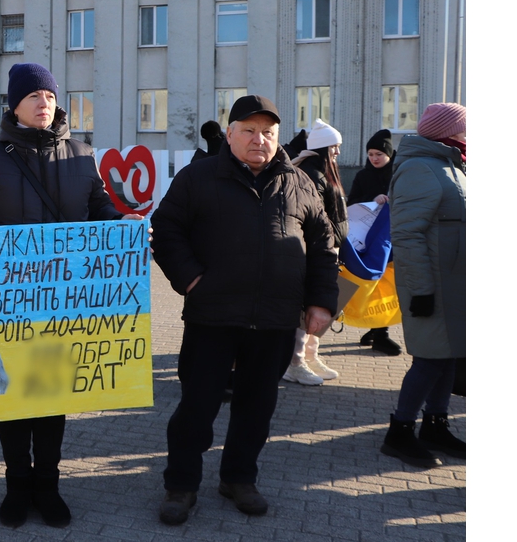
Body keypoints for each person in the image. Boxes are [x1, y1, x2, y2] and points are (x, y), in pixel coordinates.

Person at [0, 62, 142, 529]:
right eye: (34, 95)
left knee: (52, 395)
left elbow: (99, 209)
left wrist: (122, 225)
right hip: (9, 303)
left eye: (50, 96)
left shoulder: (80, 154)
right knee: (12, 397)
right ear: (15, 104)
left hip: (64, 302)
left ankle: (48, 486)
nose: (43, 103)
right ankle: (17, 486)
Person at [151, 95, 338, 524]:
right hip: (212, 316)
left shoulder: (299, 183)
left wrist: (321, 302)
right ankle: (181, 486)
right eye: (249, 131)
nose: (259, 140)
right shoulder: (198, 178)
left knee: (257, 408)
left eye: (268, 133)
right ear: (230, 133)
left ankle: (238, 478)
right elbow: (166, 229)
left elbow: (325, 246)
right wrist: (191, 280)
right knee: (196, 408)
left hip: (274, 319)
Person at [380, 103, 466, 467]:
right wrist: (421, 291)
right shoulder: (419, 167)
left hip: (456, 286)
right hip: (433, 287)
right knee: (429, 361)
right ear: (448, 131)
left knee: (449, 359)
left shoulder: (452, 165)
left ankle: (435, 425)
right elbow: (408, 235)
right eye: (465, 128)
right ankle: (399, 432)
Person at [282, 118, 346, 386]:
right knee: (305, 308)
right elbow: (315, 219)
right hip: (312, 252)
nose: (338, 153)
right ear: (324, 148)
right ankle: (295, 362)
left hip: (326, 249)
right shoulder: (312, 173)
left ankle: (310, 355)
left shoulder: (319, 170)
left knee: (319, 306)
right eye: (335, 146)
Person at [346, 129, 403, 356]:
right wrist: (372, 200)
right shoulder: (362, 176)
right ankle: (378, 332)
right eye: (370, 154)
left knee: (387, 285)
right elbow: (352, 203)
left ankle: (378, 331)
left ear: (389, 154)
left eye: (379, 153)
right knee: (371, 283)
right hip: (366, 240)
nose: (374, 158)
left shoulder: (398, 175)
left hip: (393, 239)